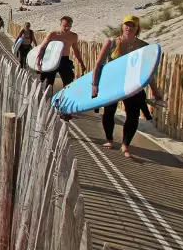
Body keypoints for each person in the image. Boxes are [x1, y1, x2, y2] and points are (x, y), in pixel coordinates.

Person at [93, 15, 164, 159]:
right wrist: (95, 84)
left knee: (133, 114)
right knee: (109, 112)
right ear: (122, 26)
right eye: (127, 24)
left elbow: (148, 72)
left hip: (132, 83)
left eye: (133, 25)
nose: (129, 28)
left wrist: (155, 91)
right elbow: (99, 64)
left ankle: (125, 144)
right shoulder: (111, 43)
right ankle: (109, 139)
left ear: (137, 28)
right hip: (113, 82)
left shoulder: (144, 47)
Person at [36, 16, 86, 89]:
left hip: (64, 60)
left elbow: (76, 51)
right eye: (65, 26)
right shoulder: (53, 34)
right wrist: (38, 62)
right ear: (60, 24)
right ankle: (48, 95)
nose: (67, 28)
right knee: (49, 83)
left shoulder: (73, 36)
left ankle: (64, 95)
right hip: (52, 59)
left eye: (69, 26)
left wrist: (81, 63)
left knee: (68, 81)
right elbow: (42, 47)